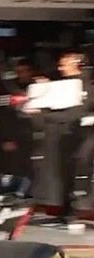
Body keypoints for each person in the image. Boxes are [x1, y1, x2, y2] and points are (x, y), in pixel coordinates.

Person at [39, 51, 94, 220]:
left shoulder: (86, 85)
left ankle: (80, 205)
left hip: (85, 135)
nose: (60, 68)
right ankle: (67, 207)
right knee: (65, 172)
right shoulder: (61, 85)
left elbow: (77, 112)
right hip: (66, 135)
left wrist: (47, 114)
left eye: (64, 64)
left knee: (81, 168)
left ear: (77, 64)